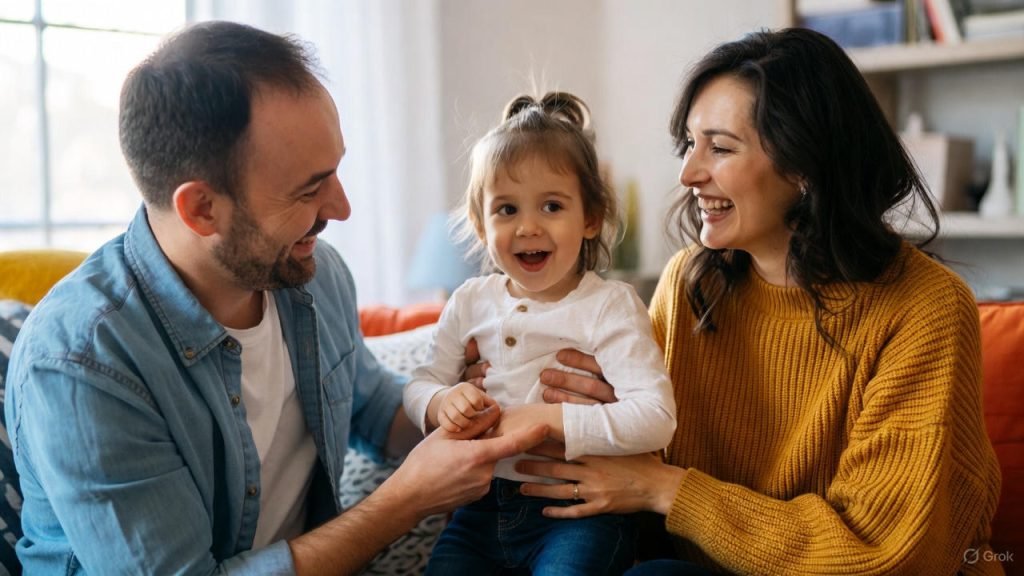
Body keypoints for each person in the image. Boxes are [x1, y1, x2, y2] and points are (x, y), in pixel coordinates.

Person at [4, 21, 547, 575]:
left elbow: (374, 405)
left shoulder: (311, 274)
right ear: (202, 210)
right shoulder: (81, 365)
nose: (341, 207)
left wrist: (483, 395)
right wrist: (407, 499)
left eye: (336, 171)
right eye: (310, 188)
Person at [504, 28, 1003, 575]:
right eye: (689, 145)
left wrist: (669, 489)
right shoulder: (689, 284)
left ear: (804, 165)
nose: (689, 174)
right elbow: (636, 466)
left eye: (719, 148)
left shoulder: (925, 309)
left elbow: (885, 554)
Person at [402, 92, 677, 575]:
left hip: (575, 513)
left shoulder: (610, 306)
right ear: (480, 225)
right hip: (478, 509)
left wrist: (547, 419)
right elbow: (420, 383)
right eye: (506, 210)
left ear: (591, 218)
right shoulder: (469, 301)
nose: (527, 226)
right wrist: (440, 403)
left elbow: (655, 418)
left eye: (551, 206)